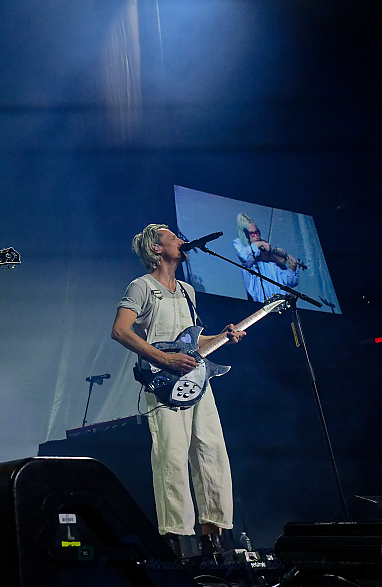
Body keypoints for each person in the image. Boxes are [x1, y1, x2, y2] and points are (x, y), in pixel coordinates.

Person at [110, 224, 245, 557]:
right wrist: (164, 359)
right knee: (171, 455)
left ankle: (215, 536)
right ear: (157, 249)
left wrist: (221, 337)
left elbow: (192, 340)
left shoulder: (187, 290)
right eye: (173, 237)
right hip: (163, 382)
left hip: (197, 379)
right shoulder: (141, 287)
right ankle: (179, 539)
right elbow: (120, 330)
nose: (181, 240)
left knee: (211, 451)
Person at [232, 213, 299, 302]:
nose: (256, 236)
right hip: (260, 304)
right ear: (246, 234)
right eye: (252, 234)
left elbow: (291, 282)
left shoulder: (270, 258)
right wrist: (258, 244)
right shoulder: (241, 246)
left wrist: (292, 269)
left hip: (280, 303)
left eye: (257, 232)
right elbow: (245, 259)